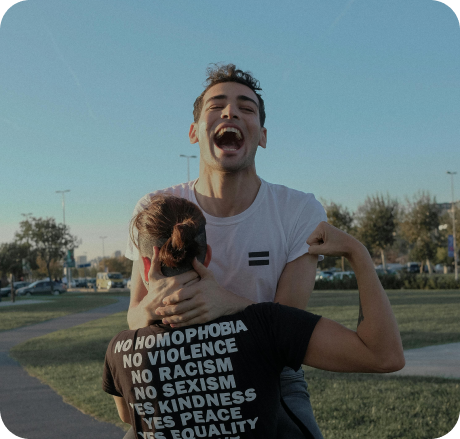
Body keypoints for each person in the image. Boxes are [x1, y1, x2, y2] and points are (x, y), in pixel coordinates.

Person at [125, 63, 327, 439]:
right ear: (193, 132)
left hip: (270, 373)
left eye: (246, 108)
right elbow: (134, 319)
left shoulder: (300, 210)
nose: (230, 112)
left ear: (262, 135)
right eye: (216, 106)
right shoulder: (155, 207)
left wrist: (226, 303)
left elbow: (286, 331)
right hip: (180, 371)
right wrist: (149, 310)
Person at [105, 195, 404, 439]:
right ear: (207, 256)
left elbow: (128, 414)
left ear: (146, 266)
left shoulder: (120, 350)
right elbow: (383, 355)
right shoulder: (265, 326)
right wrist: (357, 253)